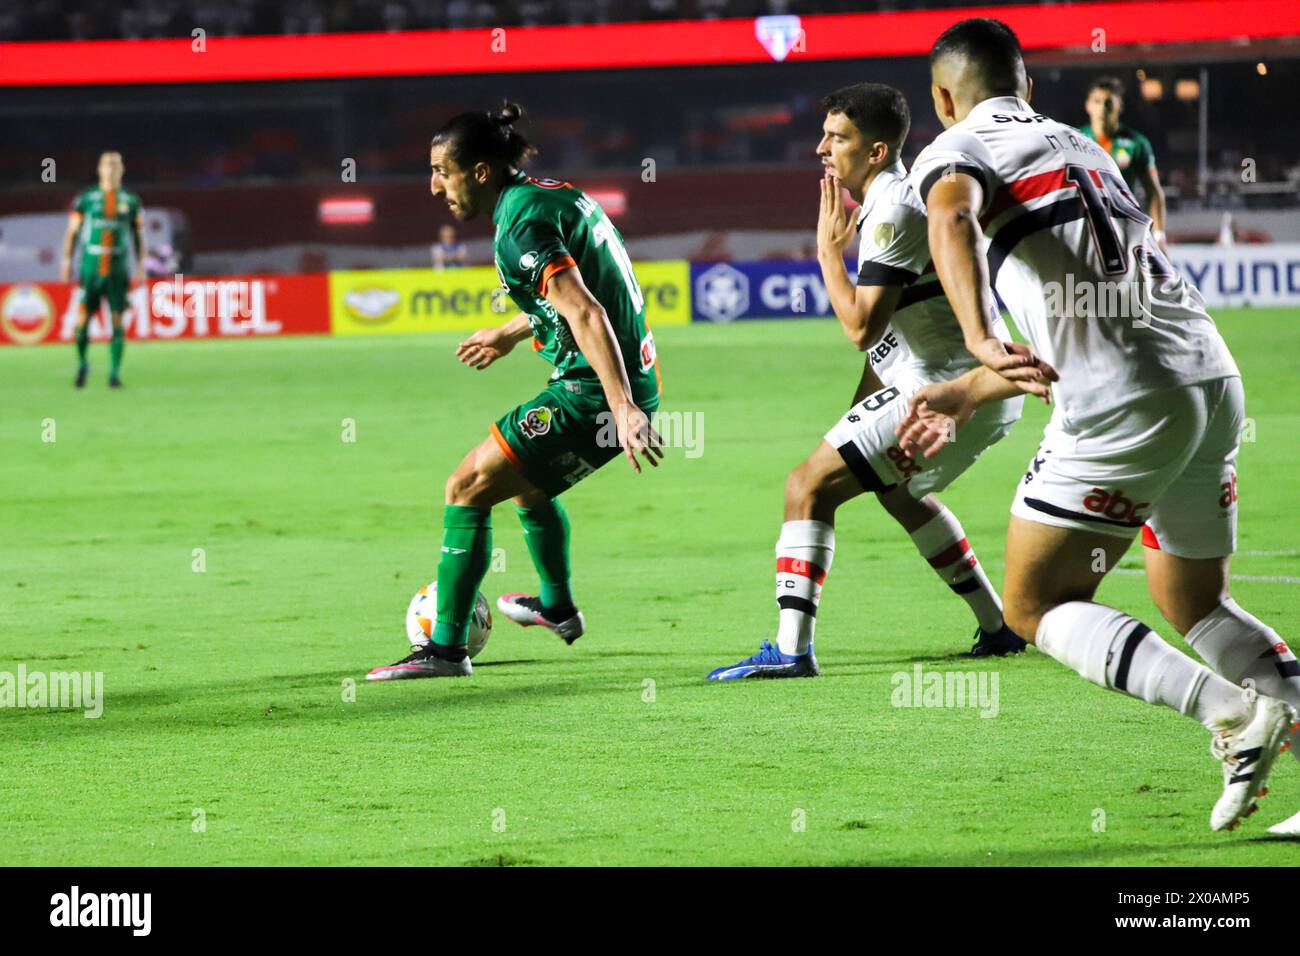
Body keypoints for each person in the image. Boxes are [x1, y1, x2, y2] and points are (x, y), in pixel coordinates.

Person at [898, 17, 1297, 832]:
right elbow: (1083, 297)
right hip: (1209, 377)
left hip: (1123, 402)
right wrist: (973, 386)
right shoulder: (1082, 146)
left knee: (1035, 602)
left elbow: (950, 220)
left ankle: (1235, 714)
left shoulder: (955, 149)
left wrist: (975, 337)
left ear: (943, 97)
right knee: (1193, 597)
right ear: (1028, 87)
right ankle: (1257, 713)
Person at [707, 82, 1029, 682]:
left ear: (877, 151)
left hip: (952, 391)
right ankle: (997, 625)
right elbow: (886, 342)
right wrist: (862, 408)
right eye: (824, 134)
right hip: (949, 381)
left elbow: (861, 326)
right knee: (899, 492)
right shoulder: (891, 204)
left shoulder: (894, 211)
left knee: (805, 487)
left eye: (839, 138)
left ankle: (792, 651)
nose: (822, 149)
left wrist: (827, 254)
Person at [368, 102, 663, 681]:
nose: (433, 188)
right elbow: (573, 297)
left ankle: (445, 650)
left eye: (441, 171)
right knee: (526, 487)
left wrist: (621, 407)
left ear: (479, 171)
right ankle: (556, 608)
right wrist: (509, 332)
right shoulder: (551, 194)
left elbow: (584, 308)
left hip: (594, 393)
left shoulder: (519, 224)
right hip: (624, 383)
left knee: (467, 486)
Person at [60, 151, 145, 388]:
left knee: (117, 320)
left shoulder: (130, 201)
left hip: (118, 266)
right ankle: (83, 363)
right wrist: (66, 261)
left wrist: (140, 265)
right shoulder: (86, 199)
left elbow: (139, 235)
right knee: (83, 318)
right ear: (99, 169)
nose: (112, 169)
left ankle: (114, 374)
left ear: (122, 170)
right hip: (92, 264)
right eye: (107, 165)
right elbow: (72, 232)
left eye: (116, 165)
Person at [1079, 76, 1168, 249]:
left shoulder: (1137, 143)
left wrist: (1159, 237)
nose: (1103, 108)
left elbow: (1154, 192)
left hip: (1125, 233)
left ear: (1119, 106)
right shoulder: (1075, 139)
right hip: (1086, 232)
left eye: (1109, 102)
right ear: (1088, 105)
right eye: (1097, 101)